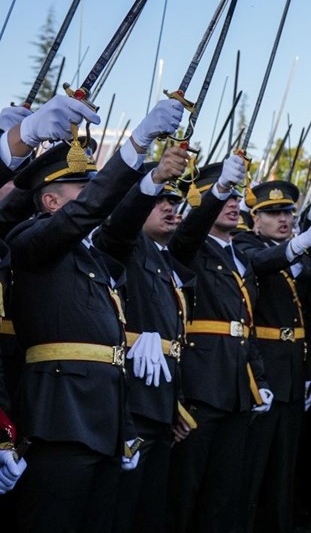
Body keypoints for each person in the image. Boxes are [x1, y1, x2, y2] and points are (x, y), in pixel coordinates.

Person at [5, 97, 183, 532]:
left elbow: (119, 228)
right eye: (80, 192)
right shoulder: (30, 240)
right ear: (50, 202)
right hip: (58, 419)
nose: (93, 202)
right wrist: (134, 144)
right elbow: (86, 215)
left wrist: (153, 177)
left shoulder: (94, 258)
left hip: (104, 418)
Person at [167, 155, 275, 532]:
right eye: (224, 196)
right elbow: (187, 233)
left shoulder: (241, 257)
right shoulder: (188, 247)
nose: (233, 204)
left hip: (235, 388)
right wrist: (217, 191)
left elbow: (245, 327)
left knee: (224, 494)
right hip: (200, 384)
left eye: (234, 197)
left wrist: (258, 380)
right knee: (184, 493)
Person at [91, 149, 193, 533]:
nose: (170, 208)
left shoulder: (164, 257)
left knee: (149, 509)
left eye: (174, 201)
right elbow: (119, 226)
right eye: (160, 200)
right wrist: (147, 185)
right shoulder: (125, 244)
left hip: (160, 402)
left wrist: (174, 406)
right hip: (131, 399)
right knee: (122, 508)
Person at [234, 180, 311, 532]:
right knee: (252, 466)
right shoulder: (246, 243)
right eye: (273, 213)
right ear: (255, 219)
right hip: (261, 369)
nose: (284, 219)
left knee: (284, 469)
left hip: (291, 370)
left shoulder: (295, 252)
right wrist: (299, 244)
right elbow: (258, 264)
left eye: (288, 212)